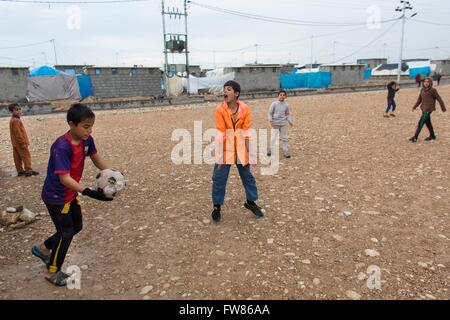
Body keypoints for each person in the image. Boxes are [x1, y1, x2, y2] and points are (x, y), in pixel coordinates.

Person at [31, 103, 113, 286]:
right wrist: (89, 192)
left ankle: (42, 249)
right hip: (56, 197)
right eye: (85, 126)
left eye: (91, 126)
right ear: (71, 124)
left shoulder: (87, 140)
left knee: (76, 226)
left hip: (70, 194)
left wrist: (112, 175)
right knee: (65, 233)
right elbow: (64, 179)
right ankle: (52, 271)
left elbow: (96, 158)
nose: (89, 130)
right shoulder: (61, 147)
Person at [211, 80, 263, 223]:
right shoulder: (219, 109)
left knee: (248, 177)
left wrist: (250, 155)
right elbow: (221, 133)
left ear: (236, 93)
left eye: (228, 89)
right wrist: (221, 158)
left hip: (241, 148)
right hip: (226, 149)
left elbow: (246, 133)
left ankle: (251, 202)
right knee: (219, 178)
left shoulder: (245, 109)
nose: (225, 92)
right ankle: (217, 207)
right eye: (224, 89)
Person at [409, 78, 446, 142]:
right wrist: (414, 106)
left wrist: (443, 108)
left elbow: (439, 99)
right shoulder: (422, 90)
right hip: (423, 108)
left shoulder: (433, 90)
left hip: (429, 109)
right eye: (425, 82)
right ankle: (432, 135)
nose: (426, 83)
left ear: (430, 83)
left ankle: (415, 137)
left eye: (428, 82)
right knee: (428, 123)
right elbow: (419, 99)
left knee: (421, 122)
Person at [8, 103, 39, 177]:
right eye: (16, 110)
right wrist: (22, 143)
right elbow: (18, 133)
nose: (19, 111)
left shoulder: (13, 119)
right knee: (26, 156)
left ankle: (20, 171)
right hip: (20, 143)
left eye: (19, 109)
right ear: (12, 111)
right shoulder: (16, 121)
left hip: (15, 143)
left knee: (17, 157)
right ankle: (29, 171)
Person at [267, 90, 293, 157]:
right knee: (273, 137)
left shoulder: (286, 105)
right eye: (280, 95)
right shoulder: (274, 104)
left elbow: (288, 114)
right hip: (275, 123)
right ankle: (270, 150)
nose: (282, 96)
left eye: (283, 95)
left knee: (284, 138)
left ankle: (286, 151)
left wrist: (290, 121)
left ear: (286, 97)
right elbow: (270, 113)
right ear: (277, 96)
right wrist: (270, 121)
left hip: (283, 123)